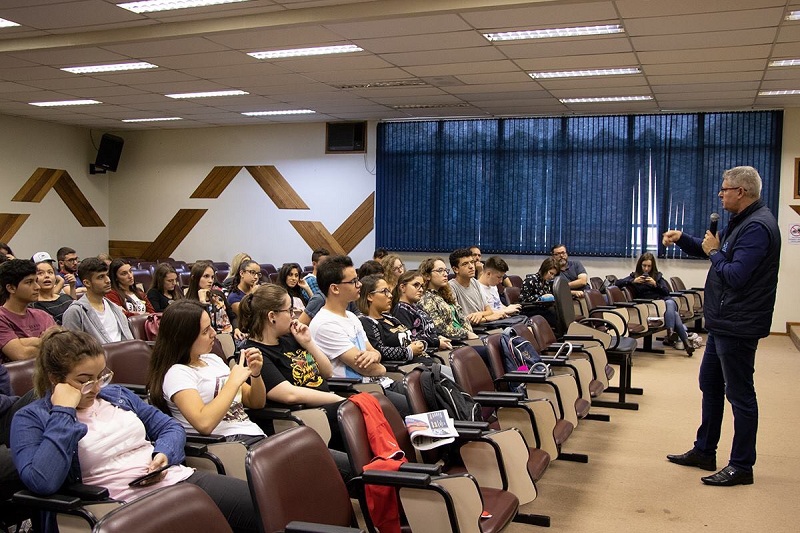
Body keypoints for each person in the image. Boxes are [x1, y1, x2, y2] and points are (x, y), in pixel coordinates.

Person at [10, 328, 257, 533]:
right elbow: (43, 481)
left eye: (100, 376)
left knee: (264, 504)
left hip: (172, 478)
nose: (96, 387)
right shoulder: (31, 418)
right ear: (55, 379)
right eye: (84, 380)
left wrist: (164, 454)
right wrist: (63, 411)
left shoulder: (117, 395)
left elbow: (169, 427)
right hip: (116, 504)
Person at [662, 166, 780, 487]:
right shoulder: (742, 222)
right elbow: (717, 252)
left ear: (741, 192)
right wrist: (685, 240)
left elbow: (735, 274)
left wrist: (714, 251)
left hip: (739, 324)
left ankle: (741, 465)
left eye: (724, 189)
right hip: (723, 322)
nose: (720, 193)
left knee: (740, 395)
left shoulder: (757, 227)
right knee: (710, 384)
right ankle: (705, 450)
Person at [237, 284, 352, 463]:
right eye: (289, 310)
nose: (294, 315)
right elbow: (289, 394)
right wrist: (338, 400)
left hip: (327, 406)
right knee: (357, 415)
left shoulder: (291, 338)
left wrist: (308, 342)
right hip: (304, 418)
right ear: (272, 316)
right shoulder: (254, 353)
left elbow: (327, 372)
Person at [148, 300, 266, 441]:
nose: (213, 334)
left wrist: (256, 374)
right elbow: (204, 424)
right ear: (184, 338)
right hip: (224, 443)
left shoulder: (213, 359)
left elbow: (256, 402)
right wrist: (233, 382)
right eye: (205, 331)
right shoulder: (177, 373)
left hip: (252, 435)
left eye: (211, 327)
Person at [308, 255, 409, 416]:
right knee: (412, 406)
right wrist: (379, 365)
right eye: (353, 281)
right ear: (335, 288)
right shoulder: (326, 324)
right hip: (358, 391)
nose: (359, 284)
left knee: (426, 392)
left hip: (378, 384)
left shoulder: (352, 316)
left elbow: (373, 352)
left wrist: (375, 357)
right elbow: (368, 368)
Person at [614, 252, 694, 356]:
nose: (646, 269)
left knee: (670, 302)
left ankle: (670, 331)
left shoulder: (657, 276)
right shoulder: (634, 276)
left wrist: (655, 284)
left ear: (653, 266)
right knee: (675, 315)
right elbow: (617, 283)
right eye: (644, 266)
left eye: (649, 266)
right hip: (650, 307)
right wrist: (633, 281)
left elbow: (666, 292)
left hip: (662, 303)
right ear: (640, 265)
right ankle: (684, 342)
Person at [357, 274, 426, 364]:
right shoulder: (366, 322)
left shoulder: (390, 318)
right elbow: (378, 350)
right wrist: (408, 351)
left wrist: (419, 344)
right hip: (402, 369)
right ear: (370, 296)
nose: (390, 295)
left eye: (389, 291)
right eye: (384, 291)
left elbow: (411, 337)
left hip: (421, 362)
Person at [61, 258, 134, 344]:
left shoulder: (115, 308)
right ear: (87, 283)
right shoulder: (75, 312)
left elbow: (128, 339)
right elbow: (71, 348)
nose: (108, 280)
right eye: (101, 277)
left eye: (107, 275)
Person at [0, 259, 56, 362]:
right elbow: (20, 355)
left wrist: (24, 342)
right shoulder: (2, 317)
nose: (37, 287)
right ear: (11, 288)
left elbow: (60, 346)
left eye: (36, 281)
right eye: (29, 282)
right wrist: (44, 341)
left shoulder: (42, 315)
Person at [417, 257, 477, 342]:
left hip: (465, 338)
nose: (445, 274)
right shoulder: (425, 298)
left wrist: (470, 334)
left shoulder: (446, 294)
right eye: (440, 270)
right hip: (452, 341)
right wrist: (466, 334)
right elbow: (439, 328)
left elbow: (463, 318)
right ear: (427, 276)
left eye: (446, 271)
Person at [391, 270, 453, 352]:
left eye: (422, 286)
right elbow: (411, 338)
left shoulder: (416, 306)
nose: (420, 290)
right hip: (425, 354)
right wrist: (436, 342)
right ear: (402, 287)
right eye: (416, 285)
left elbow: (429, 329)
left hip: (436, 348)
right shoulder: (401, 310)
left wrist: (438, 337)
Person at [447, 248, 505, 326]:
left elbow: (489, 311)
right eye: (465, 264)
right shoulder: (451, 288)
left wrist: (480, 314)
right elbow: (459, 320)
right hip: (472, 330)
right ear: (455, 269)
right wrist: (487, 318)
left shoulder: (475, 282)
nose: (471, 266)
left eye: (472, 262)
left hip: (485, 325)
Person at [186, 261, 236, 336]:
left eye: (212, 277)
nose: (210, 281)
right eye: (206, 276)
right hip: (210, 338)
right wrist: (202, 301)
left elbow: (232, 316)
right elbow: (202, 326)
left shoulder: (218, 295)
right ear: (194, 278)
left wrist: (237, 329)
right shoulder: (188, 304)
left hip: (229, 335)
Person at [31, 257, 75, 325]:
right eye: (40, 273)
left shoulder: (65, 297)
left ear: (55, 277)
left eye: (50, 272)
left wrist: (72, 286)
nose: (46, 276)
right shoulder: (34, 305)